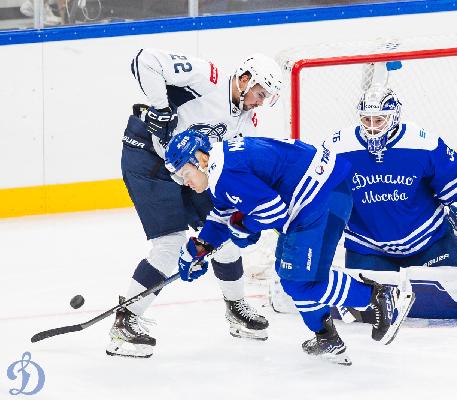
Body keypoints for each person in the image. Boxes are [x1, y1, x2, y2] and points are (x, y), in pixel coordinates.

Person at [163, 130, 415, 366]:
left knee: (299, 279)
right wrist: (201, 245)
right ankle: (326, 337)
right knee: (294, 277)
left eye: (185, 173)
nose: (184, 182)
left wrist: (244, 227)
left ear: (200, 159)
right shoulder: (221, 165)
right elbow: (224, 214)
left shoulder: (224, 173)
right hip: (325, 193)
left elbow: (271, 210)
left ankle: (380, 297)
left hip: (319, 199)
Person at [108, 48, 282, 358]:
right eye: (258, 92)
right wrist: (161, 107)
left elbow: (229, 168)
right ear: (244, 79)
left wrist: (229, 221)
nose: (260, 101)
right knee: (170, 245)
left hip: (194, 167)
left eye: (265, 97)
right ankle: (126, 321)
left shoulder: (246, 122)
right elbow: (143, 60)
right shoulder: (206, 77)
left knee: (223, 231)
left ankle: (235, 307)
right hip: (148, 157)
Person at [328, 84, 457, 321]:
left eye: (379, 120)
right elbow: (319, 193)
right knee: (369, 315)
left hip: (428, 242)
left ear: (393, 118)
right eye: (367, 120)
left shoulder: (423, 144)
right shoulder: (337, 148)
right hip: (369, 246)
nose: (372, 127)